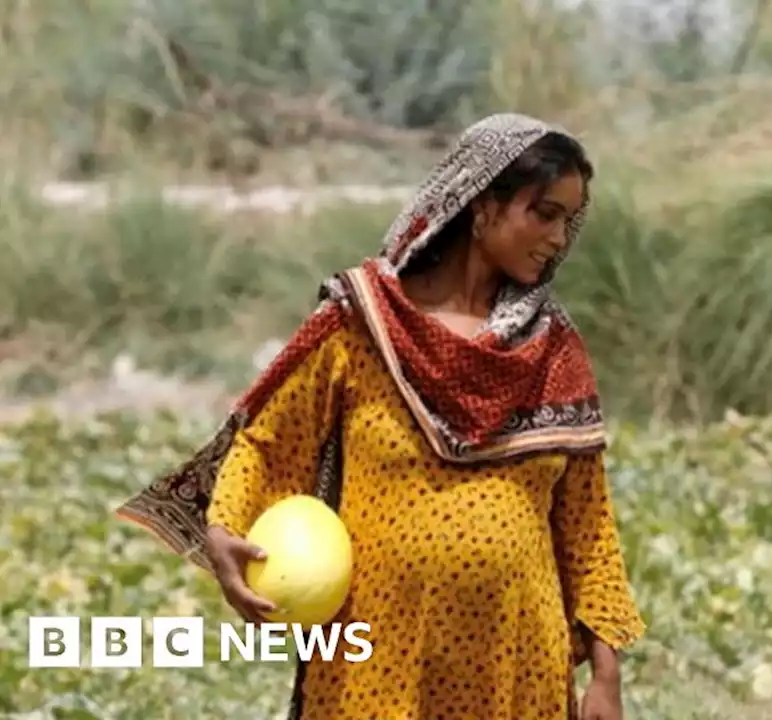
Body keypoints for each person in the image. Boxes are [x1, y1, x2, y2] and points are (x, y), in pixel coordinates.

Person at [115, 113, 646, 720]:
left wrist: (606, 676)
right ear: (481, 205)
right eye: (544, 213)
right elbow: (267, 442)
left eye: (568, 221)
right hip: (377, 659)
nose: (559, 237)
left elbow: (589, 529)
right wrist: (224, 529)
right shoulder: (361, 326)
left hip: (515, 662)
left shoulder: (553, 352)